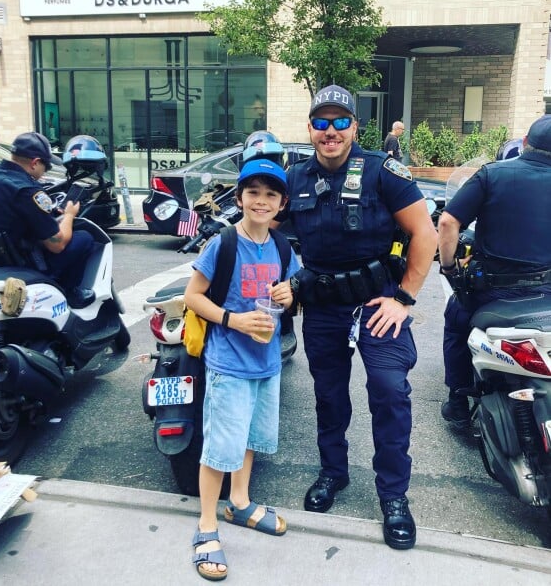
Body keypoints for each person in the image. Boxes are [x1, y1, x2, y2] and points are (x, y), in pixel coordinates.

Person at [284, 84, 437, 550]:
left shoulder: (382, 172)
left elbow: (424, 235)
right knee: (329, 396)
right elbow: (264, 227)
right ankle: (334, 473)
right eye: (322, 122)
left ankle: (393, 496)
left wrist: (404, 299)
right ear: (310, 128)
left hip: (378, 302)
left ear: (355, 126)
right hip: (324, 305)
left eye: (340, 122)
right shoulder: (294, 178)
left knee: (390, 393)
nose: (331, 131)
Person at [184, 158, 300, 581]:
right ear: (240, 198)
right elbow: (193, 297)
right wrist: (234, 320)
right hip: (229, 362)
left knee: (249, 437)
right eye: (253, 193)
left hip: (266, 363)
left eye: (271, 194)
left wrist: (291, 296)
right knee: (220, 447)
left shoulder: (283, 248)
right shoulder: (224, 244)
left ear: (282, 203)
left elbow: (293, 297)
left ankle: (240, 501)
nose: (261, 201)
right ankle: (207, 525)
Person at [438, 114, 551, 431]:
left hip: (493, 292)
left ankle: (459, 401)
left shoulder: (492, 174)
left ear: (525, 143)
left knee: (456, 320)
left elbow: (448, 222)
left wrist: (448, 267)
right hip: (547, 292)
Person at [0, 131, 93, 297]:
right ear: (35, 163)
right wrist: (70, 214)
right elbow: (56, 244)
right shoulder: (27, 191)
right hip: (7, 265)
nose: (44, 172)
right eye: (46, 167)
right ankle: (67, 294)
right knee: (85, 238)